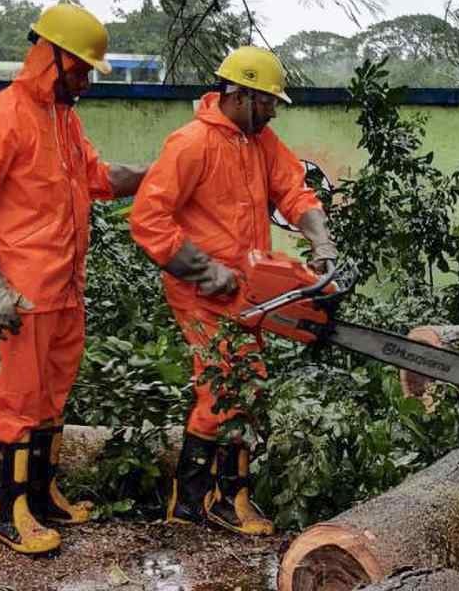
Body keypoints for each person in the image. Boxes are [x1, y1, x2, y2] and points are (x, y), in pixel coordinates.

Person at [0, 3, 149, 554]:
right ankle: (6, 510)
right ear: (50, 56)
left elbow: (96, 177)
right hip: (24, 293)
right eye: (79, 70)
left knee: (51, 399)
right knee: (17, 400)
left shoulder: (64, 119)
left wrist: (155, 177)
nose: (85, 82)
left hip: (65, 290)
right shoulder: (3, 116)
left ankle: (42, 494)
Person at [130, 46, 337, 536]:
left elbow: (293, 189)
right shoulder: (191, 144)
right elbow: (148, 219)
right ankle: (196, 501)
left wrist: (320, 238)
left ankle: (229, 496)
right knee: (224, 385)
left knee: (247, 380)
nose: (272, 111)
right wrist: (203, 269)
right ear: (239, 94)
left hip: (248, 285)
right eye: (266, 102)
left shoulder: (259, 142)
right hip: (201, 288)